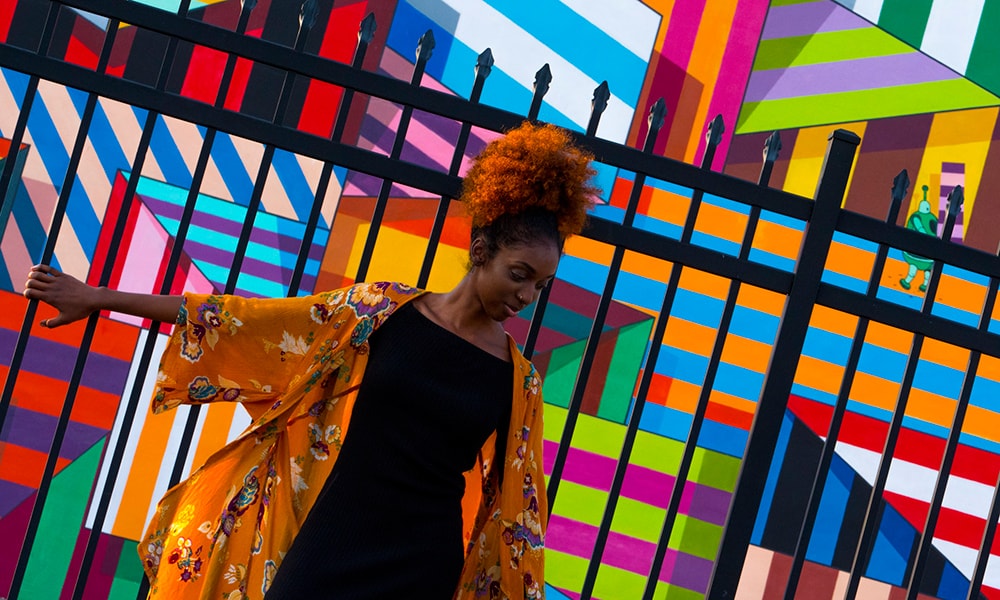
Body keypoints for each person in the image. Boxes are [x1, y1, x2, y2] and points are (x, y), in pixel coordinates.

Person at [22, 121, 599, 599]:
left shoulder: (518, 379)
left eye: (540, 285)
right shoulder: (378, 313)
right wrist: (96, 297)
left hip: (423, 562)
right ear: (479, 252)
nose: (527, 295)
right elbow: (241, 319)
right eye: (519, 274)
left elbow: (519, 513)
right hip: (333, 533)